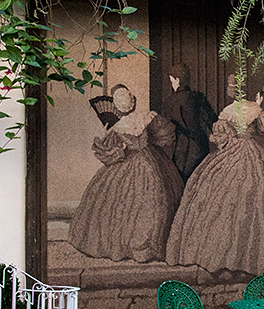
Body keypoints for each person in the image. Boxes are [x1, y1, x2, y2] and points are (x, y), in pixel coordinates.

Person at [165, 75, 264, 274]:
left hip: (229, 155)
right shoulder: (254, 109)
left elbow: (219, 138)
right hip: (254, 152)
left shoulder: (227, 112)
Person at [69, 84, 184, 263]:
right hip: (151, 161)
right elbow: (165, 135)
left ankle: (127, 245)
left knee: (119, 203)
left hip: (129, 163)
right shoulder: (146, 118)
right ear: (133, 102)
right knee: (154, 200)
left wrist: (108, 138)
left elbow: (111, 155)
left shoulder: (117, 128)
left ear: (115, 106)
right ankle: (148, 245)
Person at [163, 63, 217, 183]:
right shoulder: (199, 97)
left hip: (179, 151)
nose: (172, 85)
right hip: (200, 148)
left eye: (172, 81)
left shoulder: (168, 102)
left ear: (177, 80)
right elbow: (212, 121)